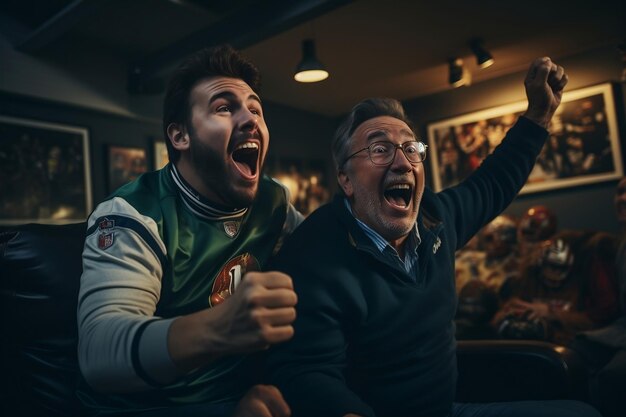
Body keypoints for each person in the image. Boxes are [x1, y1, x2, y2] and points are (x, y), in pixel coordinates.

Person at [266, 58, 601, 417]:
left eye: (411, 148)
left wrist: (539, 113)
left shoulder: (435, 218)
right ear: (345, 179)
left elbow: (493, 182)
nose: (403, 162)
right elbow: (308, 373)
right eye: (379, 149)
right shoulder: (312, 253)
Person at [77, 45, 302, 417]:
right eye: (224, 107)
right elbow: (100, 353)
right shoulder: (135, 213)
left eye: (255, 109)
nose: (250, 119)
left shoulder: (273, 203)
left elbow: (330, 255)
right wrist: (219, 328)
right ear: (180, 136)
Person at [569, 176, 626, 417]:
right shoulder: (620, 244)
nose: (622, 199)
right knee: (569, 353)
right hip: (620, 328)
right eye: (619, 192)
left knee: (613, 376)